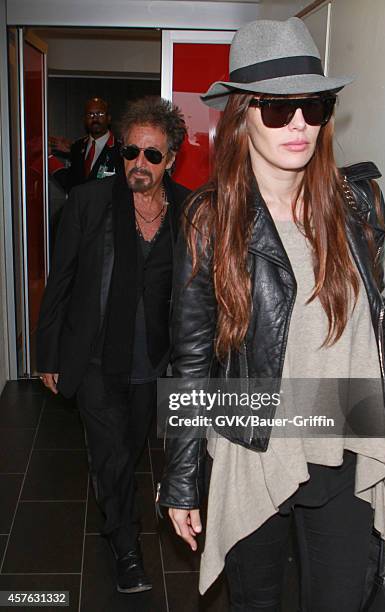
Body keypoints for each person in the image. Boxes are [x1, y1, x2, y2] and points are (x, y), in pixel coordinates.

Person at [157, 18, 385, 612]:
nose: (299, 124)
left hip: (344, 429)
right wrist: (182, 478)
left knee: (345, 596)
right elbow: (191, 356)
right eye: (277, 109)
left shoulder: (356, 200)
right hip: (253, 440)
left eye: (314, 106)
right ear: (242, 115)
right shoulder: (208, 220)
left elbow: (377, 324)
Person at [37, 97, 190, 594]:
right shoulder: (90, 202)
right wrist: (49, 354)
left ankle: (121, 520)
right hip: (97, 357)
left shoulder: (188, 210)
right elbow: (60, 282)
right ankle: (127, 548)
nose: (137, 165)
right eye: (130, 153)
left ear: (171, 160)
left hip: (153, 361)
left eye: (151, 156)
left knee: (131, 450)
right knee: (113, 457)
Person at [49, 97, 123, 193]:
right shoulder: (77, 147)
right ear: (84, 119)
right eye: (90, 114)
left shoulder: (121, 150)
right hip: (80, 207)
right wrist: (49, 158)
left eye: (100, 114)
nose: (95, 118)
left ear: (109, 118)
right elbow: (71, 184)